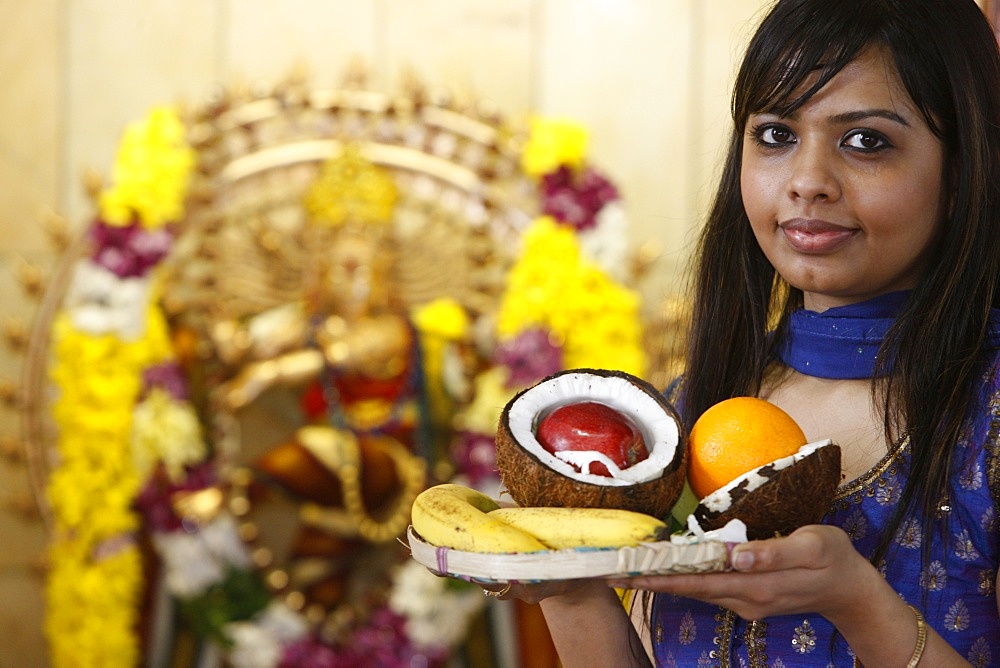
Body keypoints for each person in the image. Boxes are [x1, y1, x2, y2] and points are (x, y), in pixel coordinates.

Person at [489, 0, 1000, 665]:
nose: (807, 181)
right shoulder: (694, 405)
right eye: (776, 135)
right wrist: (564, 582)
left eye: (866, 140)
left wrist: (858, 601)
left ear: (961, 172)